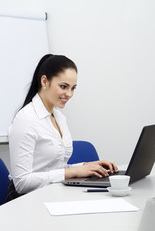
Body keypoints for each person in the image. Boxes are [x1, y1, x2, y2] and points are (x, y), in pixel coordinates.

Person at [7, 54, 118, 200]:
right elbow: (22, 183)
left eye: (73, 88)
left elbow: (55, 169)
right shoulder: (26, 120)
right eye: (64, 86)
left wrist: (87, 167)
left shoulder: (59, 117)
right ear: (45, 81)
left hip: (52, 193)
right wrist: (72, 172)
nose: (69, 94)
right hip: (26, 199)